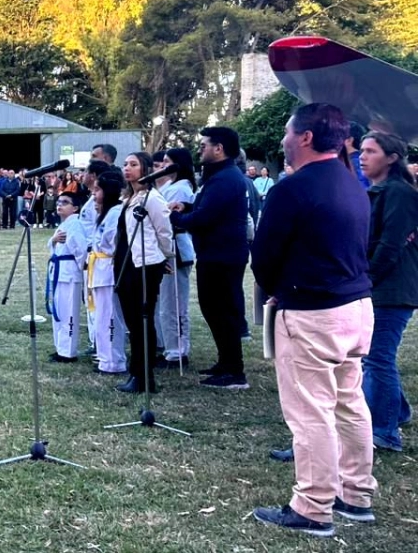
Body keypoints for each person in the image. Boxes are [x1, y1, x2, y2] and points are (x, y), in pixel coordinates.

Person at [251, 103, 376, 536]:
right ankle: (356, 494)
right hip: (356, 306)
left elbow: (264, 256)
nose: (283, 140)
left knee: (311, 413)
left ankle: (313, 506)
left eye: (287, 132)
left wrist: (273, 291)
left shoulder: (293, 188)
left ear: (304, 137)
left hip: (312, 310)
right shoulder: (351, 181)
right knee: (349, 402)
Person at [168, 128, 250, 390]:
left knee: (221, 311)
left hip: (222, 255)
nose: (199, 149)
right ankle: (226, 362)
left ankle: (234, 370)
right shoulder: (219, 177)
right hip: (216, 253)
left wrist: (173, 219)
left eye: (204, 145)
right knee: (213, 310)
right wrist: (188, 208)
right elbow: (206, 209)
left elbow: (206, 219)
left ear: (219, 148)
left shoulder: (225, 178)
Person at [359, 131, 418, 452]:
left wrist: (365, 280)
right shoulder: (381, 190)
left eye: (371, 151)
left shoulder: (399, 192)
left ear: (392, 157)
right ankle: (397, 410)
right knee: (377, 356)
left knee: (377, 357)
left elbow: (390, 245)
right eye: (363, 151)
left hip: (392, 288)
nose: (363, 157)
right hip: (383, 285)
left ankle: (384, 430)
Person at [113, 152, 174, 394]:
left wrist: (166, 258)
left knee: (142, 321)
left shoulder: (151, 198)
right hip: (126, 263)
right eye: (125, 164)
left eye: (134, 164)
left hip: (145, 265)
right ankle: (136, 371)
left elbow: (164, 232)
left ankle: (144, 376)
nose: (127, 168)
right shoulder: (130, 197)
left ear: (146, 169)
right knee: (132, 322)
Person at [153, 149, 197, 370]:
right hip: (166, 248)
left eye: (168, 163)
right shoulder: (168, 187)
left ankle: (178, 351)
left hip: (176, 248)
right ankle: (170, 347)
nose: (163, 167)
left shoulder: (181, 188)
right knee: (165, 303)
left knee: (174, 303)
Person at [89, 172, 128, 375]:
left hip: (108, 269)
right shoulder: (105, 212)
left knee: (110, 316)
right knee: (101, 317)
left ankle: (114, 360)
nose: (94, 194)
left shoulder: (115, 212)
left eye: (97, 190)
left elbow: (111, 242)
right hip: (99, 268)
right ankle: (105, 358)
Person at [47, 191, 88, 362]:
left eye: (65, 202)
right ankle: (60, 348)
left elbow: (80, 249)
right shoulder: (63, 224)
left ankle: (68, 352)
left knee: (68, 313)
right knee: (59, 312)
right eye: (58, 202)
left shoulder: (75, 224)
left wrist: (81, 270)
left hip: (70, 273)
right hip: (59, 271)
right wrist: (54, 240)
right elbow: (52, 245)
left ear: (75, 208)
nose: (60, 205)